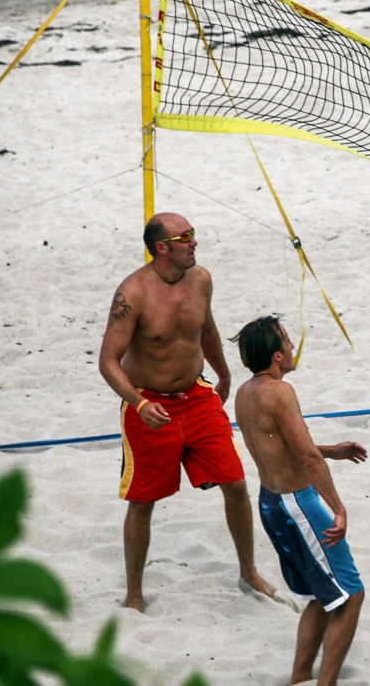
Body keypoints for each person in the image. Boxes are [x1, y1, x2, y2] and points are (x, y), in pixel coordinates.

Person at [98, 212, 277, 612]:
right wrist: (139, 403)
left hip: (196, 397)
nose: (195, 241)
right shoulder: (133, 293)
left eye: (193, 234)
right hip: (149, 403)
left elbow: (207, 330)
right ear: (162, 248)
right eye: (186, 236)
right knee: (142, 502)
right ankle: (135, 594)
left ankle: (248, 571)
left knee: (235, 484)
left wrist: (224, 374)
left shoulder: (201, 279)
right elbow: (108, 361)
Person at [232, 316, 367, 686]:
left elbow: (277, 446)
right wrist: (338, 508)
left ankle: (299, 677)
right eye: (289, 342)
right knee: (351, 595)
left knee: (321, 598)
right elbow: (306, 459)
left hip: (270, 503)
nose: (293, 348)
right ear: (277, 356)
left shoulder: (245, 393)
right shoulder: (281, 392)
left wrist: (331, 451)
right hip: (297, 506)